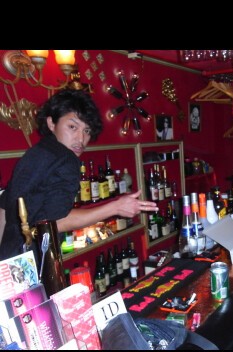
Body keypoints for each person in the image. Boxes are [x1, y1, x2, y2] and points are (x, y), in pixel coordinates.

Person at [0, 89, 158, 261]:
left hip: (9, 259)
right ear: (51, 123)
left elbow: (4, 206)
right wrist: (116, 207)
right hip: (34, 262)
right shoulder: (66, 159)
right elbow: (56, 222)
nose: (81, 139)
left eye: (87, 131)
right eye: (72, 127)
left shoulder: (35, 152)